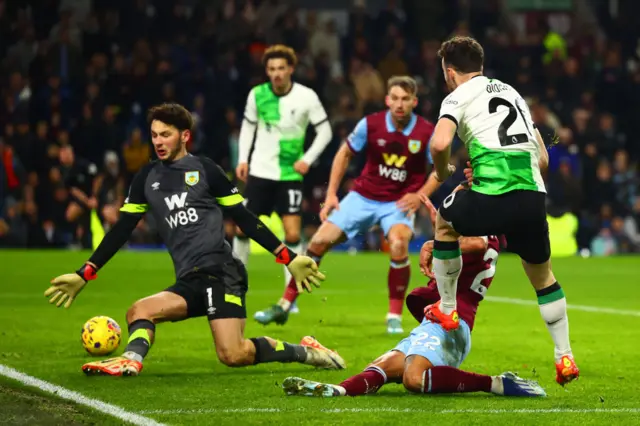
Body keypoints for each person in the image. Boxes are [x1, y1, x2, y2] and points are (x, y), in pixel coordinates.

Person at [44, 103, 343, 376]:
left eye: (165, 134)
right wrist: (85, 273)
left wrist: (289, 258)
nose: (158, 142)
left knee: (233, 354)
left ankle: (306, 352)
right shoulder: (146, 178)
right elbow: (122, 229)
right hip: (189, 280)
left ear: (184, 135)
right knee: (139, 310)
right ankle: (131, 360)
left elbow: (244, 218)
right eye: (154, 135)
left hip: (221, 272)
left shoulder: (205, 169)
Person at [282, 191, 546, 398]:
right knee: (383, 366)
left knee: (414, 378)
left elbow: (477, 242)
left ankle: (497, 384)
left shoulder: (482, 227)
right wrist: (441, 229)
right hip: (435, 322)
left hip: (452, 323)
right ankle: (338, 390)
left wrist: (436, 241)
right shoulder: (474, 226)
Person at [426, 35, 579, 385]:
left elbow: (439, 143)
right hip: (531, 198)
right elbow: (542, 160)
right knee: (543, 278)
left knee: (445, 220)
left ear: (449, 72)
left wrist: (441, 171)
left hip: (493, 196)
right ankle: (565, 356)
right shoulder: (512, 93)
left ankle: (447, 310)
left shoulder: (457, 96)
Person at [255, 76, 439, 334]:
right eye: (395, 98)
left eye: (405, 99)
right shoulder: (370, 124)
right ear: (387, 100)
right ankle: (284, 305)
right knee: (318, 242)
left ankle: (393, 317)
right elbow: (344, 153)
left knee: (398, 245)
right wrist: (331, 195)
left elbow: (441, 169)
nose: (399, 104)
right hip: (362, 196)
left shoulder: (426, 131)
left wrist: (420, 194)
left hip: (397, 203)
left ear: (414, 102)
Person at [234, 44, 333, 311]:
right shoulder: (257, 95)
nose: (276, 74)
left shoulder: (306, 97)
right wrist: (242, 159)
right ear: (267, 71)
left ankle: (292, 295)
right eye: (271, 69)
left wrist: (307, 159)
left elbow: (325, 132)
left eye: (281, 68)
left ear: (291, 69)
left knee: (291, 233)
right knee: (242, 228)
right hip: (260, 172)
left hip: (289, 175)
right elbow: (247, 129)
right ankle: (236, 286)